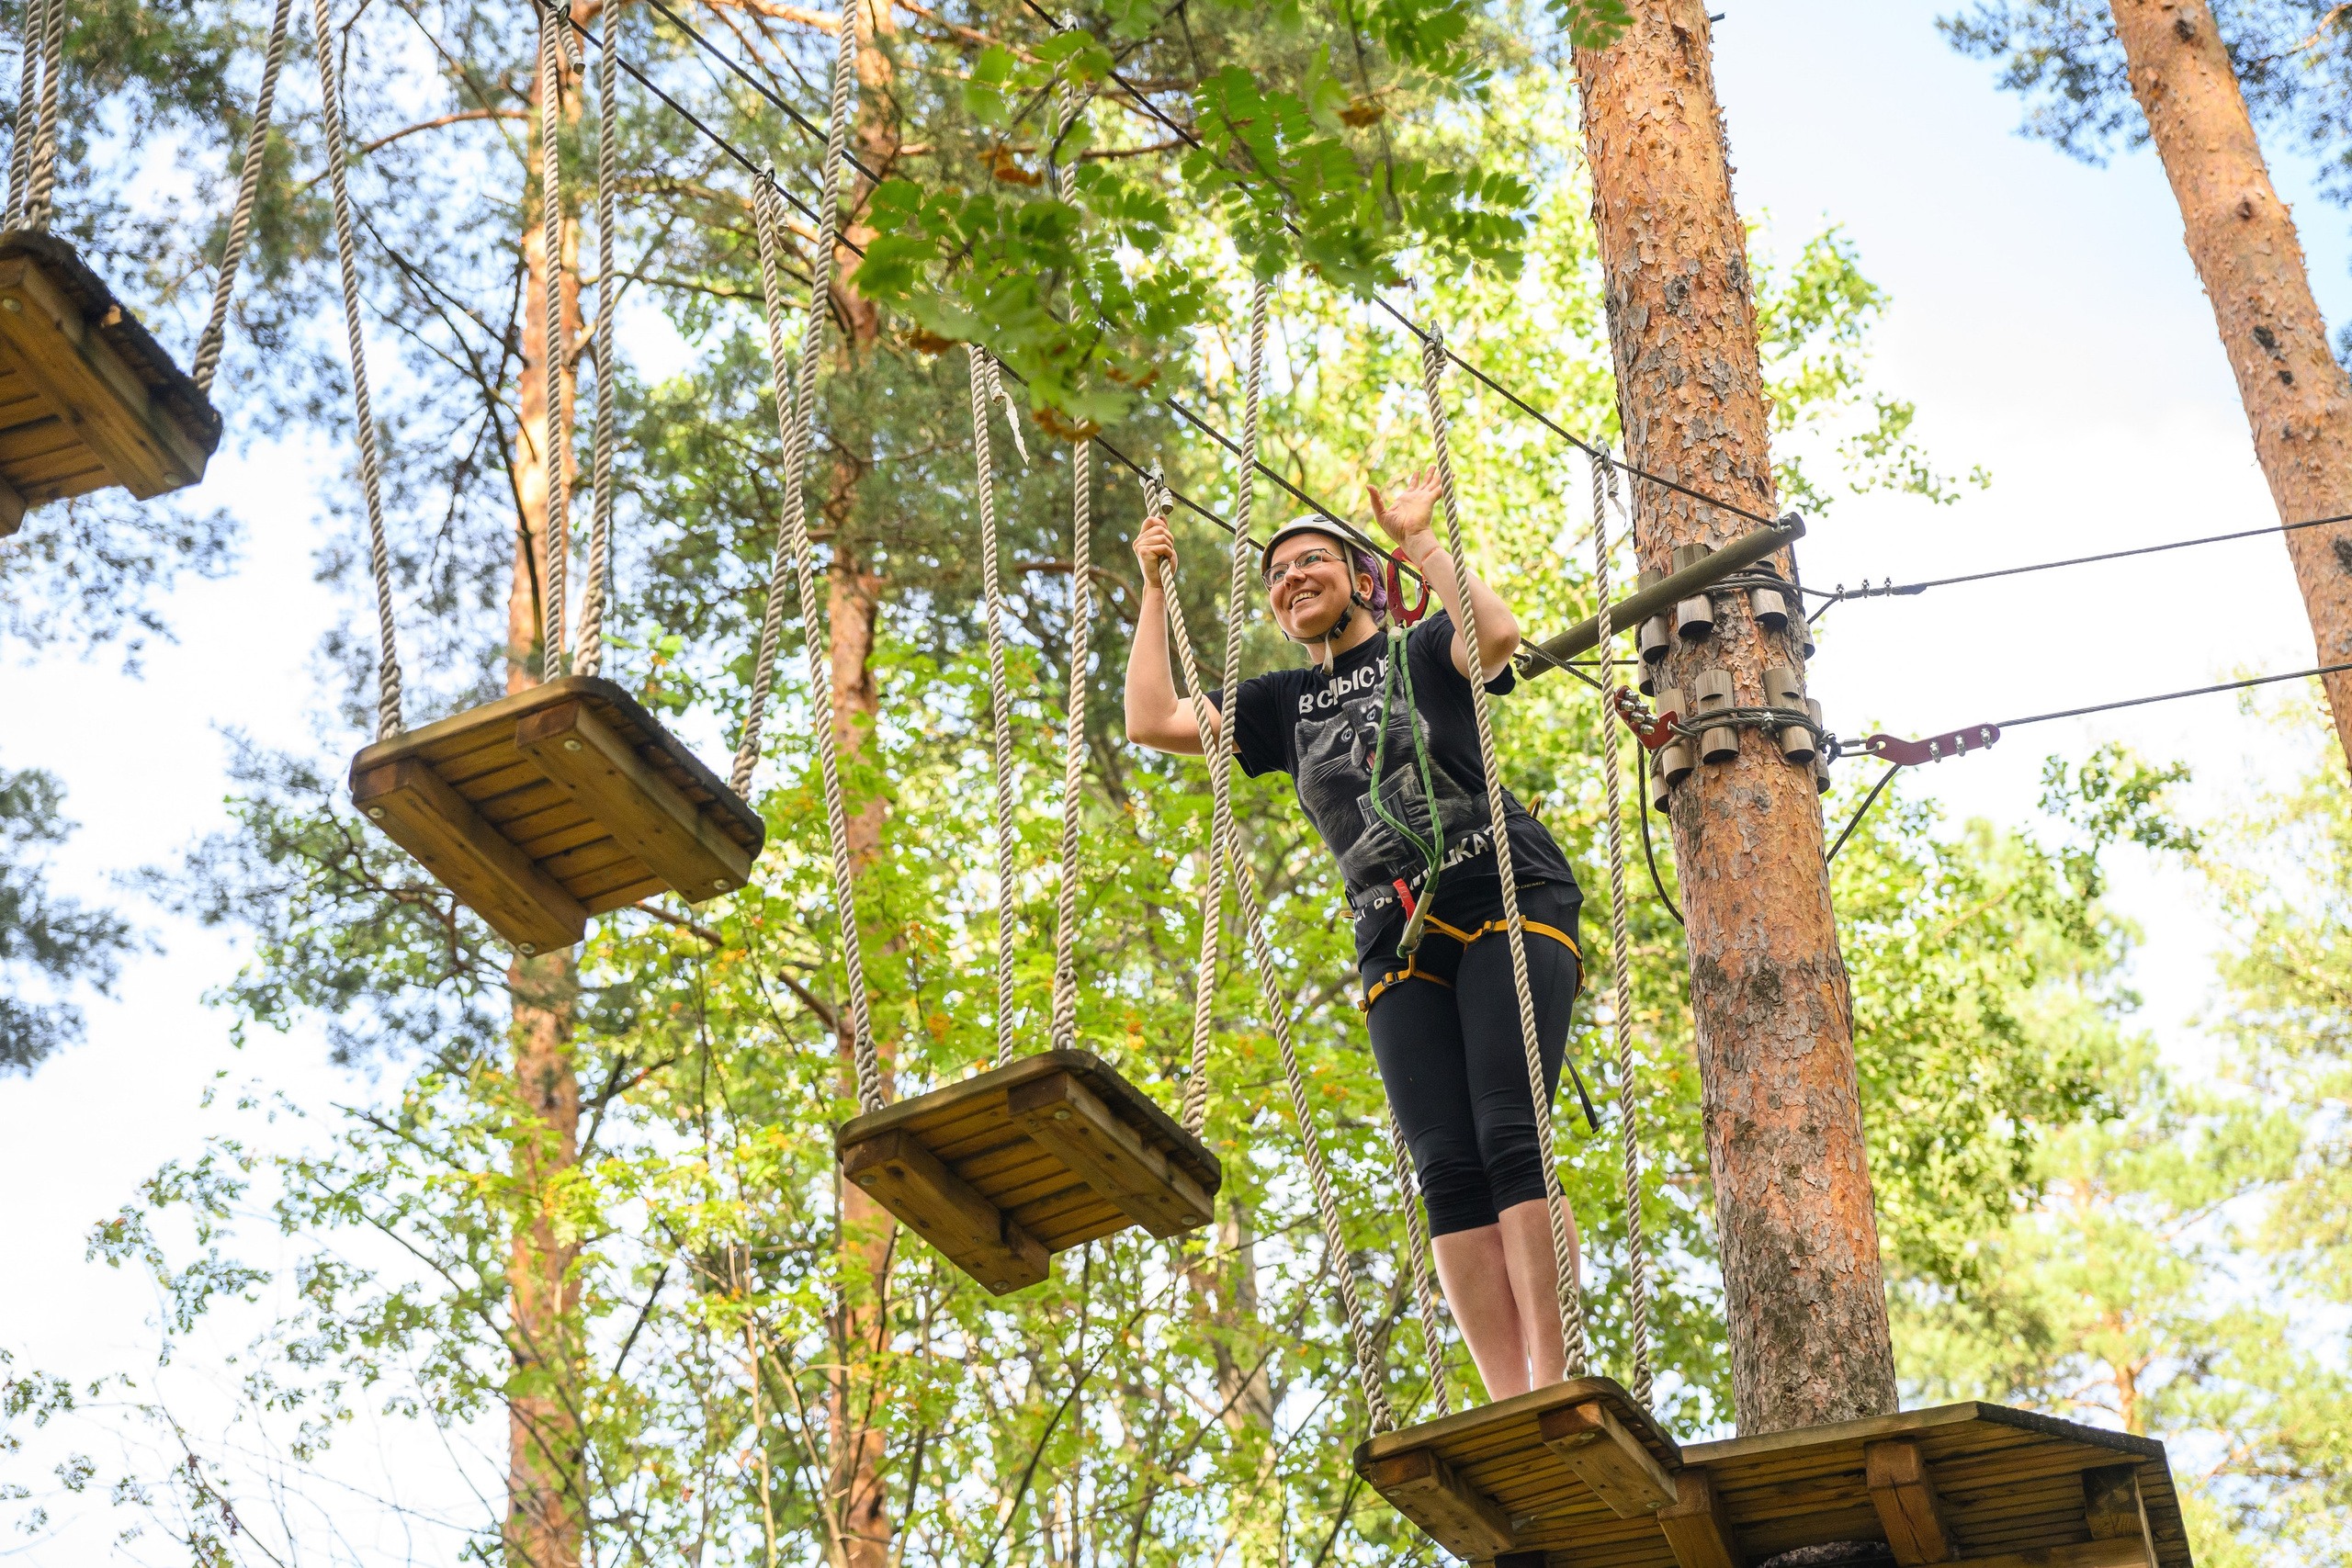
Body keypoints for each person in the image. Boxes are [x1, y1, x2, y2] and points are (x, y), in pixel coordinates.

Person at [1124, 465, 1587, 1400]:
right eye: (1276, 573)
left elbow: (1497, 636)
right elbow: (1151, 719)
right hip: (1392, 928)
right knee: (1444, 1165)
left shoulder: (1424, 651)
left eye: (1312, 561)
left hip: (1501, 888)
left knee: (1507, 1131)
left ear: (1361, 579)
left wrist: (1420, 541)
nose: (1291, 577)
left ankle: (1555, 1378)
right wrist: (1152, 588)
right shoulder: (1275, 706)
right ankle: (1508, 1400)